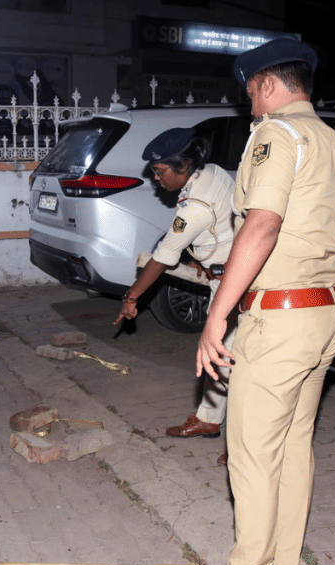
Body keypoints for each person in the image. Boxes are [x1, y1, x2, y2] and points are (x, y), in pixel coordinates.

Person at [195, 39, 335, 565]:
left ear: (269, 85)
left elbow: (263, 223)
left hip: (278, 324)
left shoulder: (276, 133)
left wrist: (216, 315)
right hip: (327, 318)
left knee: (251, 458)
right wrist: (316, 292)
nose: (249, 105)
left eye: (250, 92)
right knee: (295, 449)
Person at [113, 127, 236, 466]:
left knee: (237, 366)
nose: (155, 178)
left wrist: (132, 297)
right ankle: (209, 418)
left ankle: (242, 446)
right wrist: (201, 257)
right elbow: (222, 222)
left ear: (182, 165)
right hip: (225, 275)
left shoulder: (193, 205)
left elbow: (164, 255)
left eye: (159, 170)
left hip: (234, 287)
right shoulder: (212, 172)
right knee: (219, 359)